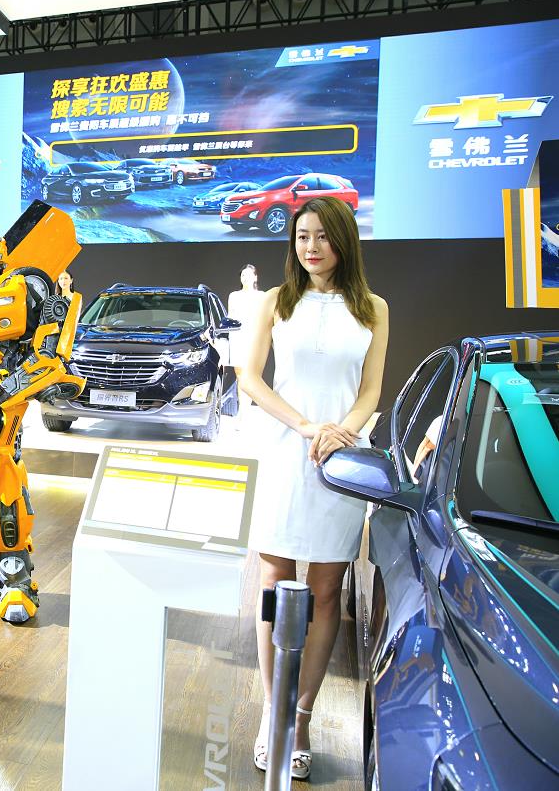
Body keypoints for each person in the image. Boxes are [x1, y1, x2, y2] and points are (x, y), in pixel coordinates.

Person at [238, 197, 389, 780]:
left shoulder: (374, 309)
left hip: (340, 461)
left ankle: (301, 718)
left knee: (327, 590)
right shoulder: (276, 302)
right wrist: (305, 426)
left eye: (322, 236)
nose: (311, 246)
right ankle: (272, 712)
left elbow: (371, 390)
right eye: (302, 236)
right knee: (274, 582)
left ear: (343, 240)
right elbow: (250, 378)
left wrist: (341, 432)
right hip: (285, 450)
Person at [227, 264, 266, 417]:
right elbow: (231, 317)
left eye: (248, 275)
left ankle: (245, 411)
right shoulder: (234, 296)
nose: (245, 278)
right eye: (243, 275)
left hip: (254, 339)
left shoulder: (262, 296)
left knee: (251, 375)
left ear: (255, 277)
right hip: (238, 338)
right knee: (240, 375)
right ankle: (243, 410)